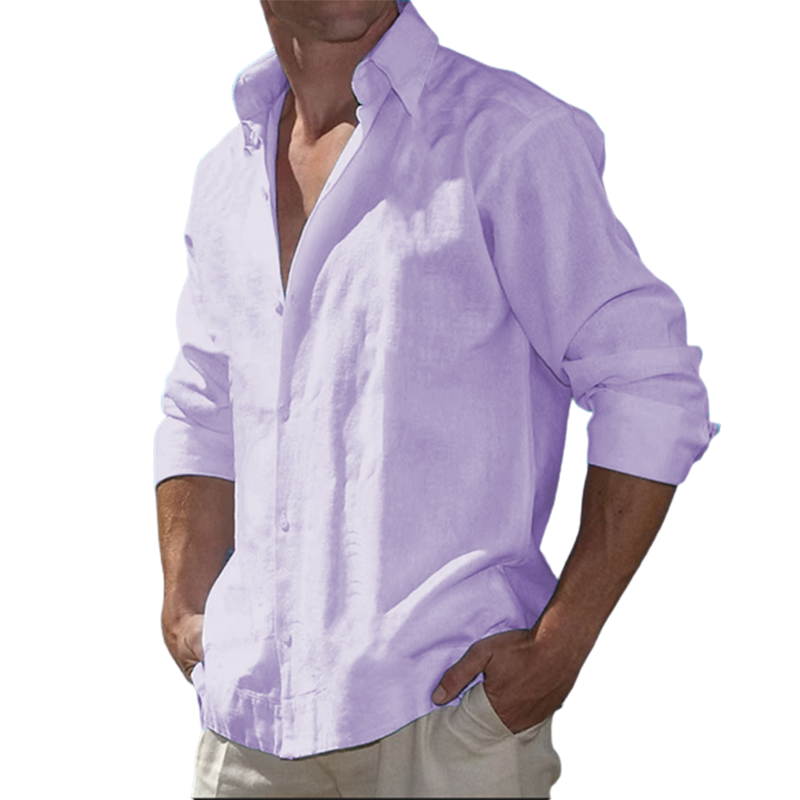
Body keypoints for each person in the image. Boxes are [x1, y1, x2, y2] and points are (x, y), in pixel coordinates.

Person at [155, 1, 718, 796]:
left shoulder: (509, 138)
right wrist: (185, 601)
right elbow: (205, 402)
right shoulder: (227, 174)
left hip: (444, 720)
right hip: (250, 729)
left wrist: (561, 646)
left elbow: (649, 384)